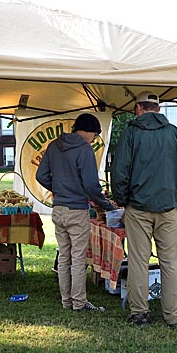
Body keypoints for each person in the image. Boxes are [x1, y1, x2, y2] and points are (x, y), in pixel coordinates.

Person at [112, 92, 177, 328]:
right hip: (169, 207)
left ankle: (139, 313)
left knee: (138, 260)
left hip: (138, 207)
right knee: (170, 262)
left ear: (138, 108)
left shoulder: (131, 133)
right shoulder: (174, 134)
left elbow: (119, 173)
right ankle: (174, 316)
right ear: (158, 110)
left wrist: (123, 201)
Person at [36, 113, 115, 312]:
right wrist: (105, 205)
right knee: (78, 258)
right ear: (88, 131)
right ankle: (79, 303)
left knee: (64, 257)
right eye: (95, 135)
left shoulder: (54, 145)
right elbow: (90, 184)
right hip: (77, 210)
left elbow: (40, 175)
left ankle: (66, 301)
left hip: (58, 209)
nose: (94, 139)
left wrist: (58, 188)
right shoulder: (84, 149)